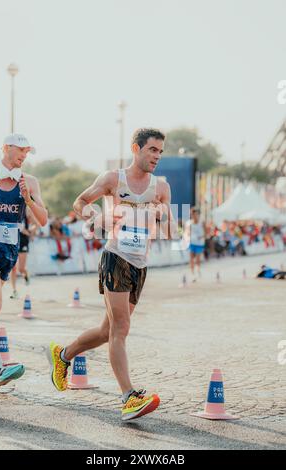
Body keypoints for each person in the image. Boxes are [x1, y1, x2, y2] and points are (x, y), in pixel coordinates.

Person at [47, 128, 177, 421]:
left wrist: (163, 215)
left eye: (160, 151)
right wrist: (94, 217)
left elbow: (170, 230)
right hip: (115, 256)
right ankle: (128, 397)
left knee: (107, 332)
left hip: (139, 264)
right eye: (152, 150)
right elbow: (80, 202)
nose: (156, 156)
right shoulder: (112, 179)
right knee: (121, 328)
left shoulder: (161, 188)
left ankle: (63, 354)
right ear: (136, 148)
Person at [0, 134, 48, 386]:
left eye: (27, 151)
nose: (24, 155)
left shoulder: (29, 182)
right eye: (20, 150)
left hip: (9, 250)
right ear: (5, 148)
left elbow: (42, 219)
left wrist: (28, 200)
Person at [10, 207, 38, 299]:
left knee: (21, 269)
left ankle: (26, 275)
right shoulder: (10, 206)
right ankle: (14, 291)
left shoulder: (27, 209)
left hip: (23, 241)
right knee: (13, 268)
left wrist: (30, 232)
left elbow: (35, 224)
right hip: (11, 239)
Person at [185, 207, 206, 281]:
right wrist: (188, 235)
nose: (194, 216)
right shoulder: (189, 223)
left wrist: (202, 236)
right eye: (192, 214)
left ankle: (198, 270)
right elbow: (187, 232)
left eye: (196, 214)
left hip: (199, 243)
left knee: (197, 259)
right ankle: (192, 273)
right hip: (192, 243)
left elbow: (205, 232)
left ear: (198, 215)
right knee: (191, 258)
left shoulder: (202, 222)